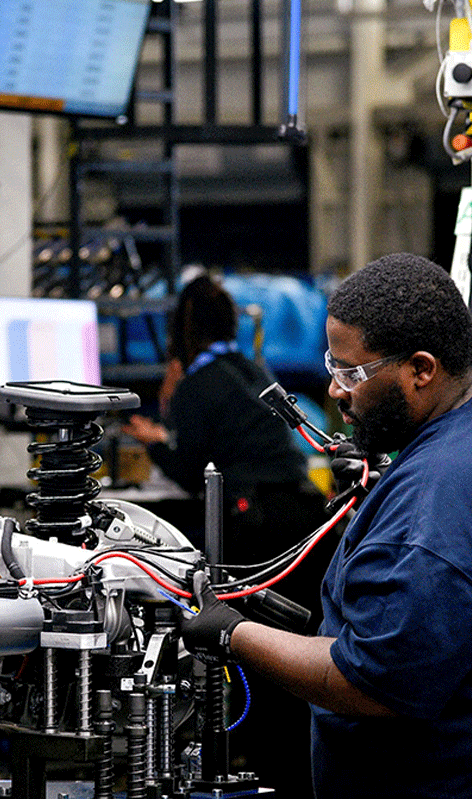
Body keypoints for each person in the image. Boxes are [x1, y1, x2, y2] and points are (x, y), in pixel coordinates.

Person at [181, 253, 472, 799]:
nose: (335, 390)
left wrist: (232, 633)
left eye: (350, 373)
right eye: (331, 365)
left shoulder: (431, 499)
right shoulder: (454, 443)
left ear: (421, 369)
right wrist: (378, 502)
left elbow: (370, 680)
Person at [123, 273, 330, 795]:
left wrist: (154, 437)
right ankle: (295, 777)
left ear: (181, 329)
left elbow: (191, 470)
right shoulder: (250, 368)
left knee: (256, 658)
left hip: (255, 524)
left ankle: (262, 776)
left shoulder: (196, 383)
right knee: (296, 657)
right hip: (303, 518)